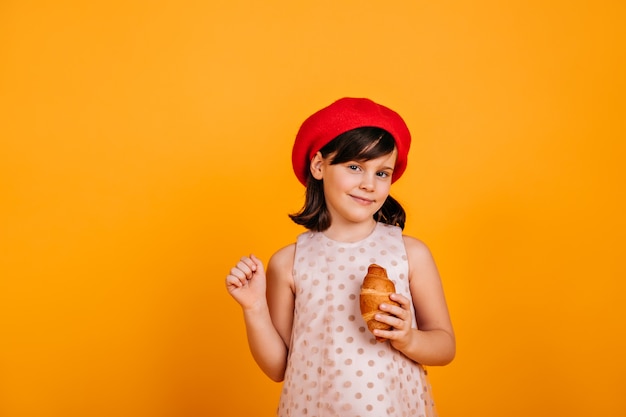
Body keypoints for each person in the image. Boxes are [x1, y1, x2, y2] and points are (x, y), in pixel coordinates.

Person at [225, 97, 455, 417]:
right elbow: (278, 367)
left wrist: (408, 338)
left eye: (382, 173)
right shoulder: (288, 263)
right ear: (319, 166)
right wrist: (254, 308)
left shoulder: (410, 254)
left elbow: (445, 346)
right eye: (354, 167)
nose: (368, 184)